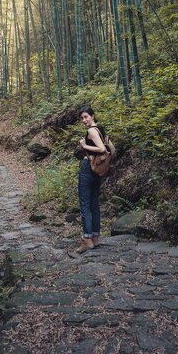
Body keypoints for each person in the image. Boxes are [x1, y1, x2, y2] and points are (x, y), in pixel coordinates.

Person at [74, 107, 107, 254]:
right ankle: (95, 237)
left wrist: (84, 145)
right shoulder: (101, 130)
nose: (84, 120)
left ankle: (87, 241)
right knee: (94, 204)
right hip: (97, 169)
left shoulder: (92, 131)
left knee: (85, 205)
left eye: (86, 117)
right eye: (82, 118)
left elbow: (101, 149)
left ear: (93, 116)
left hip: (89, 168)